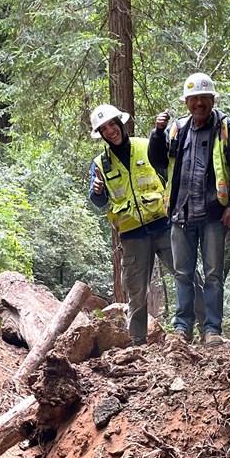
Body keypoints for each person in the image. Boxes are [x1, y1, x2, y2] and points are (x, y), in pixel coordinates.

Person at [148, 72, 230, 346]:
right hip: (181, 215)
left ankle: (212, 330)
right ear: (187, 102)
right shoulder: (177, 129)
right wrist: (157, 133)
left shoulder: (227, 129)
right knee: (182, 274)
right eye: (193, 99)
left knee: (213, 275)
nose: (199, 104)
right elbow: (158, 159)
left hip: (214, 217)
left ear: (212, 99)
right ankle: (183, 328)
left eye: (204, 98)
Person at [87, 103, 175, 345]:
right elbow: (98, 200)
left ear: (120, 124)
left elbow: (169, 177)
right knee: (136, 292)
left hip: (163, 225)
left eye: (112, 125)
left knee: (187, 275)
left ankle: (203, 328)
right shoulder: (100, 164)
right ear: (101, 135)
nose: (110, 131)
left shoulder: (147, 146)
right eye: (104, 129)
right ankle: (138, 342)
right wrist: (97, 192)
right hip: (132, 235)